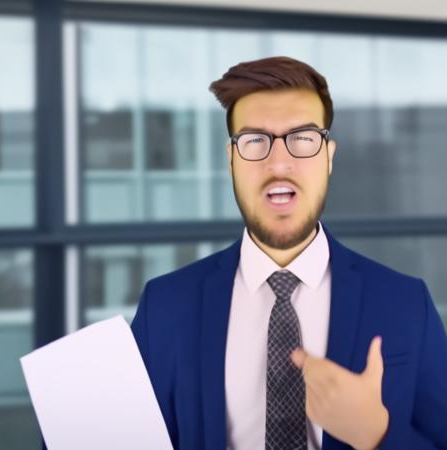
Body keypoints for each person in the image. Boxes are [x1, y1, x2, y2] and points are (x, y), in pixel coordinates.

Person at [131, 56, 447, 450]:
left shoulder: (405, 303)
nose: (278, 163)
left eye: (302, 138)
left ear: (329, 156)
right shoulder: (165, 304)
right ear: (231, 161)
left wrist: (379, 436)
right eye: (254, 141)